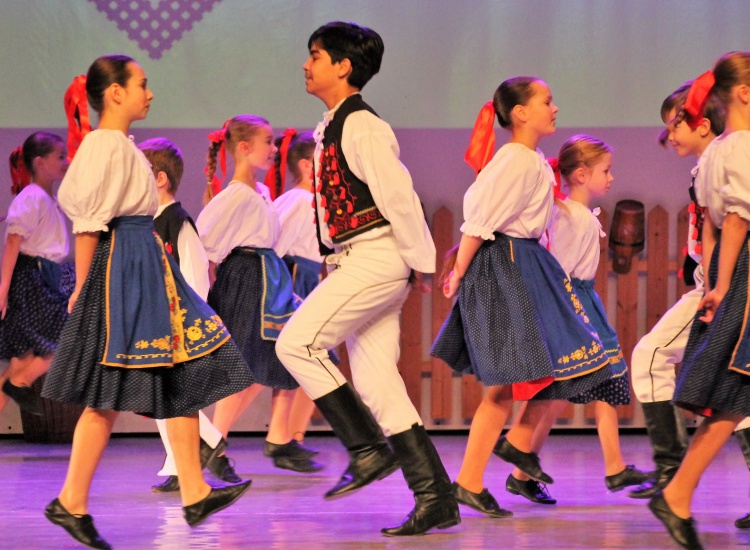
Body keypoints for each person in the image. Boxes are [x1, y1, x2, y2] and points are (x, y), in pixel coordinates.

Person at [41, 55, 252, 550]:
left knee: (176, 370)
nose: (149, 93)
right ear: (115, 92)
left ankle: (193, 490)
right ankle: (72, 499)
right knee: (110, 390)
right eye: (142, 84)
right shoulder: (103, 146)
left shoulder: (123, 147)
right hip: (124, 268)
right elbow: (88, 223)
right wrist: (85, 287)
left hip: (144, 262)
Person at [275, 21, 460, 537]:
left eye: (315, 55)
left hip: (374, 258)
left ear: (343, 66)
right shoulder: (336, 124)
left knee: (296, 344)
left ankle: (367, 448)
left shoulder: (361, 125)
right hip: (359, 259)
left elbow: (398, 195)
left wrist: (419, 261)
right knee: (380, 385)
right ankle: (436, 498)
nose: (306, 65)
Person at [431, 76, 612, 519]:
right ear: (521, 113)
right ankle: (486, 469)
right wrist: (458, 268)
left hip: (522, 263)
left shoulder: (528, 162)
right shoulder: (517, 160)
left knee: (525, 378)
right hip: (510, 266)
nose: (554, 108)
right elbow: (482, 220)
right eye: (546, 101)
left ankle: (483, 472)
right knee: (516, 379)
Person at [504, 136, 648, 506]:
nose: (611, 178)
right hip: (574, 305)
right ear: (582, 175)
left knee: (560, 395)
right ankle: (612, 468)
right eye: (606, 171)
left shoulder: (575, 214)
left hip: (581, 302)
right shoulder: (573, 217)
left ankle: (523, 473)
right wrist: (569, 318)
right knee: (597, 377)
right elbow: (559, 272)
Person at [649, 51, 750, 550]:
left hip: (734, 271)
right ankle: (677, 493)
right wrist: (724, 284)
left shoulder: (718, 153)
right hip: (745, 272)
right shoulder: (741, 147)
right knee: (735, 391)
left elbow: (711, 224)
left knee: (736, 395)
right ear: (745, 94)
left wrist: (714, 280)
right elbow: (734, 220)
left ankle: (678, 494)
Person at [197, 115, 321, 478]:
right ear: (244, 148)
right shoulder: (235, 195)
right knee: (251, 365)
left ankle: (273, 437)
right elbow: (203, 241)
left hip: (267, 277)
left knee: (287, 355)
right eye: (267, 142)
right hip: (247, 280)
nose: (273, 149)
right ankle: (214, 444)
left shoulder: (262, 191)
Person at [137, 137, 229, 493]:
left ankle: (206, 445)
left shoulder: (178, 222)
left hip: (176, 323)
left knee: (166, 394)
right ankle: (186, 459)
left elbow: (194, 274)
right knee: (160, 395)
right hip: (155, 321)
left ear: (160, 179)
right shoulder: (149, 222)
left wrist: (188, 321)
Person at [0, 132, 71, 416]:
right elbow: (13, 242)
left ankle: (17, 381)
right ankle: (20, 383)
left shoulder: (46, 198)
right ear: (40, 163)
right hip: (33, 279)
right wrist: (4, 288)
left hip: (44, 276)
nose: (66, 162)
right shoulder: (32, 197)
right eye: (60, 157)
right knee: (68, 339)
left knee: (21, 361)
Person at [268, 129, 326, 460]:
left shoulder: (311, 201)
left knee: (313, 363)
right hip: (294, 281)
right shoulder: (300, 201)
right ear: (306, 165)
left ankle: (292, 437)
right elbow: (276, 248)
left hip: (307, 279)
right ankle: (285, 437)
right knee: (304, 361)